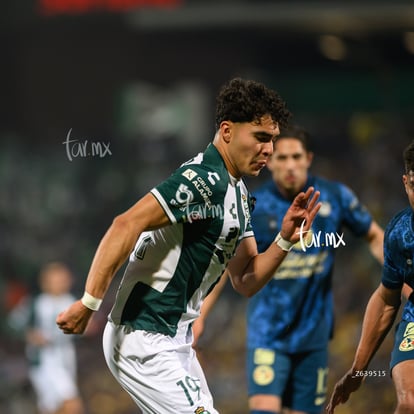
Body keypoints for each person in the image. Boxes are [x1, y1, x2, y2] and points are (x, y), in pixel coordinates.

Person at [56, 77, 321, 414]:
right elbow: (126, 223)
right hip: (145, 338)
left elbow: (247, 278)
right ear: (227, 131)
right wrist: (89, 302)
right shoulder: (202, 180)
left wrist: (284, 239)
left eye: (272, 140)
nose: (268, 150)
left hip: (175, 340)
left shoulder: (237, 194)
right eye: (260, 138)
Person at [326, 140, 414, 414]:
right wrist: (358, 369)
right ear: (405, 183)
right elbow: (388, 299)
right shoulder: (401, 234)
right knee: (409, 404)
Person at [8, 262, 85, 414]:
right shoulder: (36, 303)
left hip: (66, 357)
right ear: (45, 282)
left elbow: (79, 331)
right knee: (72, 404)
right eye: (56, 279)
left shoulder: (73, 302)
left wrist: (84, 329)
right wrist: (30, 334)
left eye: (63, 279)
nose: (60, 283)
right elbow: (13, 324)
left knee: (52, 407)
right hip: (44, 360)